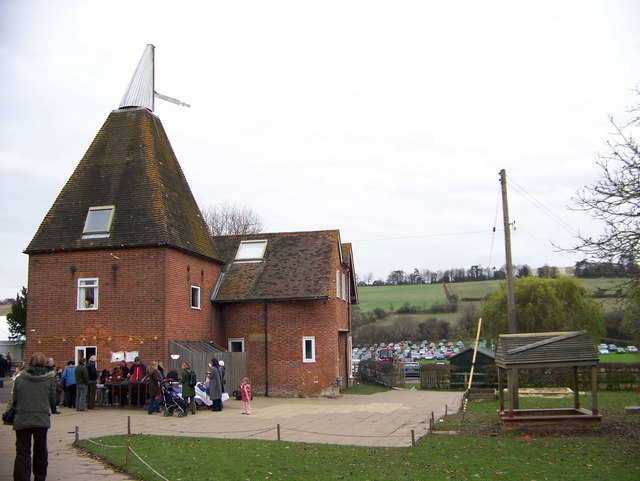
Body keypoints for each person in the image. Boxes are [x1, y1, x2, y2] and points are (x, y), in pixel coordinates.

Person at [12, 351, 56, 481]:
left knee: (22, 452)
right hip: (41, 418)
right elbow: (53, 400)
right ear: (44, 364)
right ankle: (40, 477)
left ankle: (21, 478)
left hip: (22, 418)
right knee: (40, 450)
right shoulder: (49, 379)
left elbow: (15, 398)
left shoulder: (20, 378)